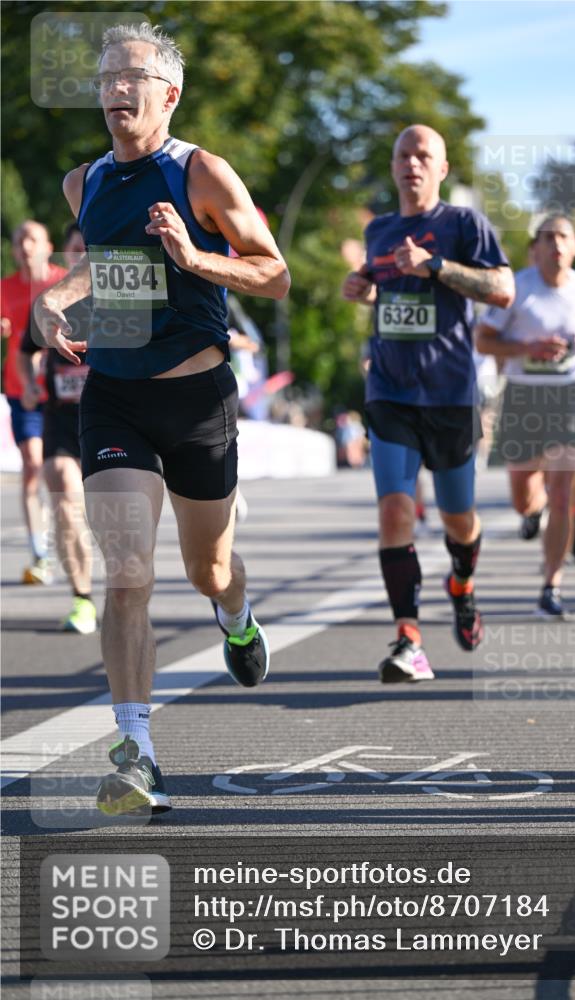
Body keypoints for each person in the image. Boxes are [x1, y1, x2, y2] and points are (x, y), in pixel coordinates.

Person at [34, 23, 290, 816]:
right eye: (105, 75)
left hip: (197, 398)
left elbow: (274, 275)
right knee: (127, 574)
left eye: (130, 75)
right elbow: (98, 266)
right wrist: (53, 300)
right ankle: (137, 751)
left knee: (208, 569)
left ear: (168, 93)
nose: (113, 88)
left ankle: (237, 616)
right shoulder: (85, 182)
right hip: (115, 395)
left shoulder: (201, 172)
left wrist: (196, 258)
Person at [342, 124, 514, 682]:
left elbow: (503, 290)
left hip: (449, 393)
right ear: (392, 167)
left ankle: (462, 585)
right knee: (395, 508)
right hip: (389, 389)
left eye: (424, 156)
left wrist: (436, 266)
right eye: (402, 155)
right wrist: (364, 288)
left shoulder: (464, 225)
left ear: (441, 169)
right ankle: (408, 639)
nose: (411, 164)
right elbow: (383, 290)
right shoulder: (378, 229)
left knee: (457, 518)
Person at [476, 214, 575, 617]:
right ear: (537, 248)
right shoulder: (516, 288)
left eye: (563, 237)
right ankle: (533, 513)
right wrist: (527, 348)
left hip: (568, 395)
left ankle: (552, 584)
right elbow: (482, 339)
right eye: (547, 238)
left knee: (563, 494)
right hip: (523, 397)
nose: (556, 244)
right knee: (523, 497)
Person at [19, 224, 97, 633]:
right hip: (62, 424)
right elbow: (24, 352)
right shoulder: (49, 302)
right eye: (75, 249)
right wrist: (30, 383)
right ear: (65, 255)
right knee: (66, 501)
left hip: (113, 420)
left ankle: (129, 593)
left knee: (117, 514)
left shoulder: (124, 301)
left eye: (89, 249)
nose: (82, 256)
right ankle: (82, 598)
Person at [1, 220, 68, 583]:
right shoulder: (5, 288)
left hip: (63, 390)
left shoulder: (64, 282)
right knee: (31, 465)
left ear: (47, 244)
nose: (25, 246)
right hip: (21, 390)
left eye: (32, 239)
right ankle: (39, 552)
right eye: (18, 240)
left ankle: (71, 533)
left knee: (62, 472)